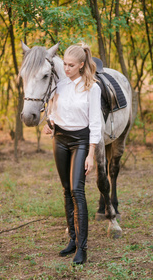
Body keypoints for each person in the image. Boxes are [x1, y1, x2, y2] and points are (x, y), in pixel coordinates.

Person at [43, 43, 102, 265]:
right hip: (59, 139)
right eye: (64, 64)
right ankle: (72, 239)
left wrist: (91, 153)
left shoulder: (92, 88)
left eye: (70, 65)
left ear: (81, 65)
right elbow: (53, 110)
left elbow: (95, 122)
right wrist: (48, 123)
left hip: (80, 141)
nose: (66, 68)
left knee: (78, 191)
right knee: (66, 190)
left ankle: (82, 248)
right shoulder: (60, 85)